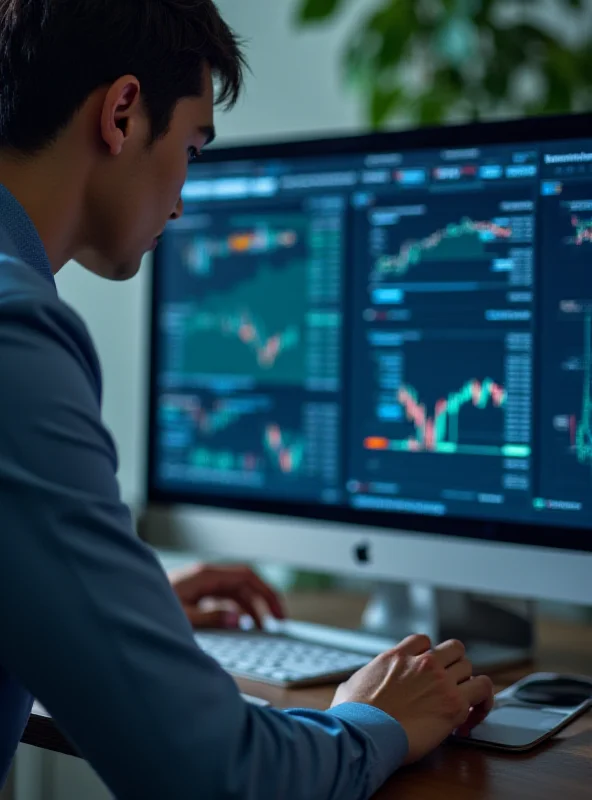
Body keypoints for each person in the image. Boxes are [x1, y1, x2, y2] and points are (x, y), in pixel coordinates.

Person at [0, 2, 494, 798]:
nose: (185, 200)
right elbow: (212, 777)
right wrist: (370, 720)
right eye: (192, 150)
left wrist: (113, 609)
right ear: (122, 113)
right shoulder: (15, 339)